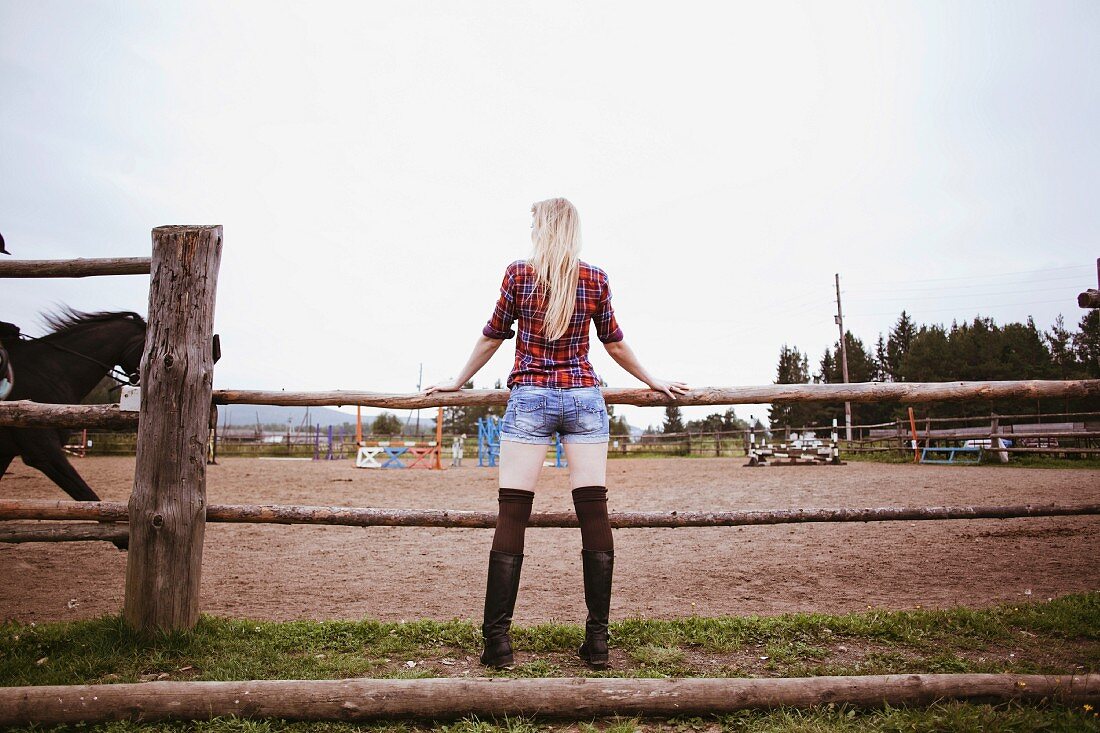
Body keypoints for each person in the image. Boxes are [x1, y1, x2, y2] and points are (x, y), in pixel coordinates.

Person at [425, 197, 687, 669]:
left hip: (530, 399)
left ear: (541, 229)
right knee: (594, 513)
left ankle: (498, 644)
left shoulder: (518, 275)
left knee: (512, 515)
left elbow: (492, 335)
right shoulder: (595, 277)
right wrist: (654, 380)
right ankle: (598, 642)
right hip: (585, 399)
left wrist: (457, 381)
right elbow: (615, 343)